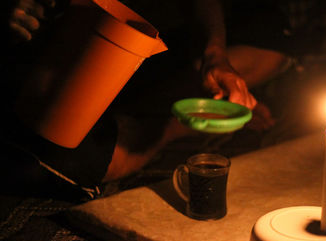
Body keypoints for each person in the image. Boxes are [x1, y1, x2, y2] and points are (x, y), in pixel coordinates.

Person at [1, 0, 291, 200]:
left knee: (274, 49)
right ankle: (174, 125)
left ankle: (164, 104)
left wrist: (215, 55)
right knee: (79, 155)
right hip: (43, 72)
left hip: (130, 48)